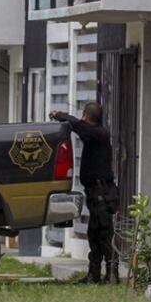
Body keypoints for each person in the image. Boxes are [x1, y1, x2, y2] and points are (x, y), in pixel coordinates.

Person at [49, 102, 119, 284]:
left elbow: (79, 126)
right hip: (95, 191)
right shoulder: (94, 134)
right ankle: (93, 275)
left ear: (86, 116)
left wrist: (60, 115)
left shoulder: (98, 134)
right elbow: (80, 127)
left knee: (104, 233)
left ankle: (112, 274)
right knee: (94, 233)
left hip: (102, 191)